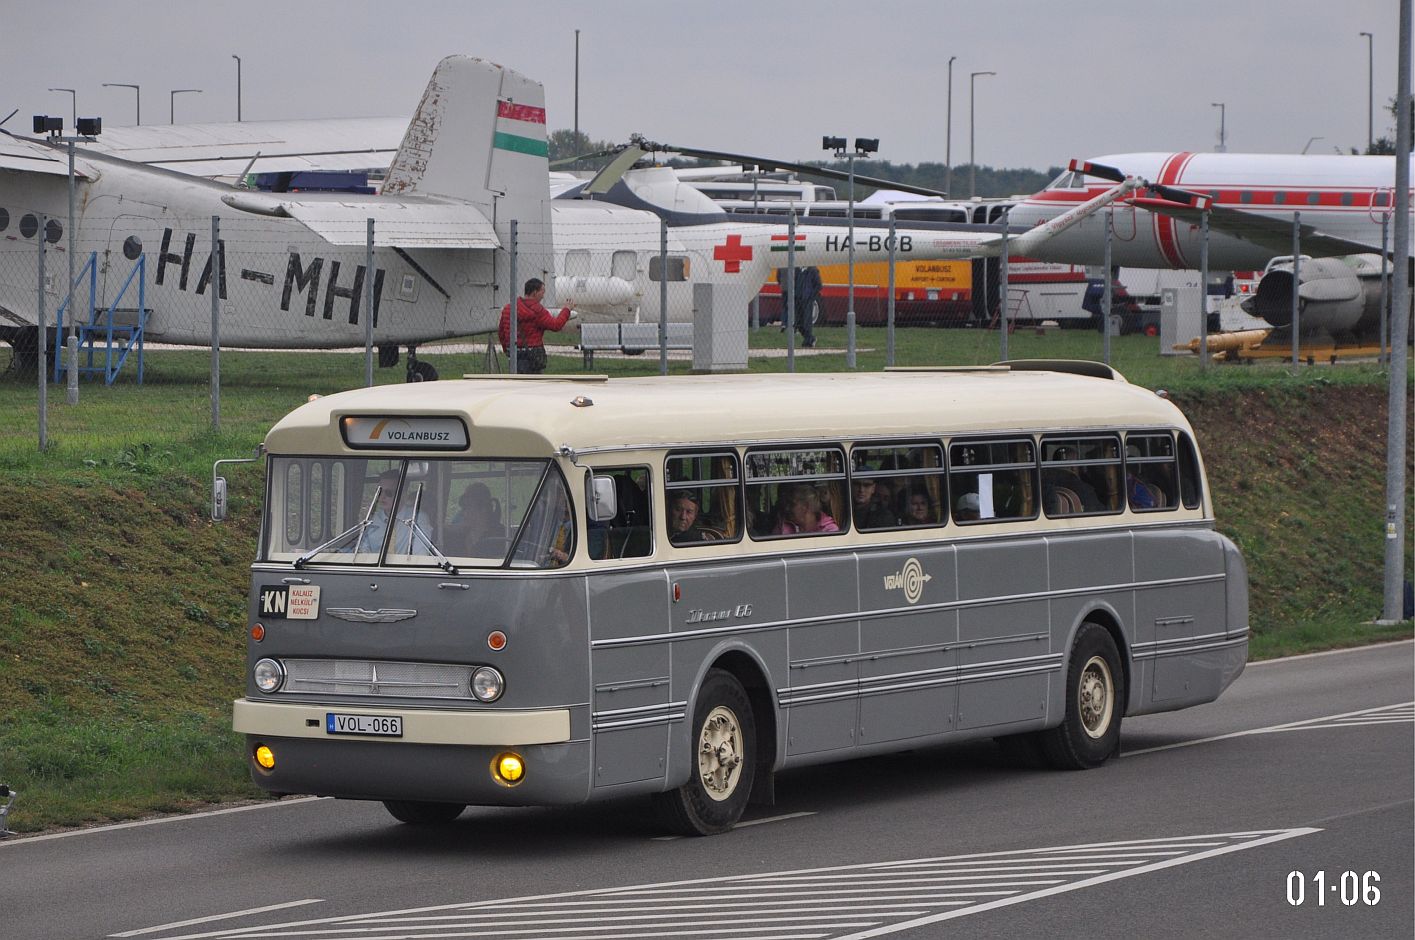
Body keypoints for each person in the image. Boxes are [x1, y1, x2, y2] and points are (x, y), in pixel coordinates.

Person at [499, 277, 572, 374]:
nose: (543, 296)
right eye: (542, 292)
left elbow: (501, 333)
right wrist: (567, 310)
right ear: (535, 292)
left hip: (513, 353)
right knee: (534, 384)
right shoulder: (537, 310)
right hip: (532, 355)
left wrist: (507, 350)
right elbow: (556, 325)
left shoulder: (508, 308)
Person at [358, 470, 434, 554]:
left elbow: (420, 556)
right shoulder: (371, 520)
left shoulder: (417, 518)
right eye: (379, 492)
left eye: (388, 492)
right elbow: (363, 552)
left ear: (403, 494)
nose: (382, 497)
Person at [774, 265, 821, 348]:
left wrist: (811, 296)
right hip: (797, 298)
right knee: (798, 323)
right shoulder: (796, 270)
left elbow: (818, 285)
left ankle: (808, 341)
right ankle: (810, 338)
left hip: (807, 299)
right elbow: (792, 281)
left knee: (807, 322)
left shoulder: (812, 270)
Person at [772, 483, 839, 535]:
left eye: (792, 504)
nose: (787, 508)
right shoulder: (783, 524)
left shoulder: (829, 530)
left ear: (805, 506)